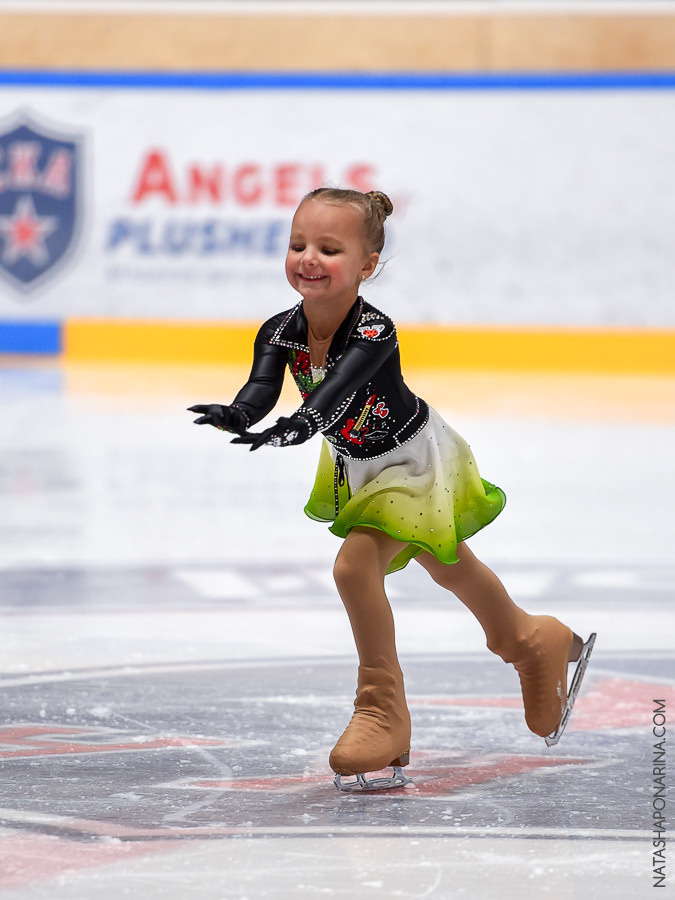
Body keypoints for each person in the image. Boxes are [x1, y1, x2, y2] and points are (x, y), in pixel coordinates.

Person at [188, 188, 595, 792]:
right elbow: (261, 387)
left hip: (410, 457)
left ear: (367, 265)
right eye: (298, 244)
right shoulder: (279, 329)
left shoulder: (375, 330)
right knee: (448, 563)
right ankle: (531, 640)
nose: (308, 257)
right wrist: (237, 414)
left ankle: (383, 711)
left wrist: (303, 424)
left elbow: (337, 391)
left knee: (356, 567)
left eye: (329, 248)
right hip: (358, 461)